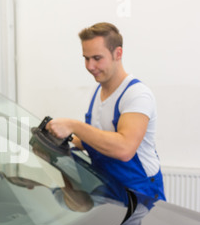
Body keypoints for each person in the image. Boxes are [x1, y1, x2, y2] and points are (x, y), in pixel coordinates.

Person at [46, 22, 165, 209]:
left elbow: (124, 149)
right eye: (86, 58)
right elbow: (100, 138)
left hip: (140, 192)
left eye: (97, 58)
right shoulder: (99, 93)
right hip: (109, 188)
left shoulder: (136, 95)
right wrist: (65, 139)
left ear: (118, 53)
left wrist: (74, 125)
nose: (90, 66)